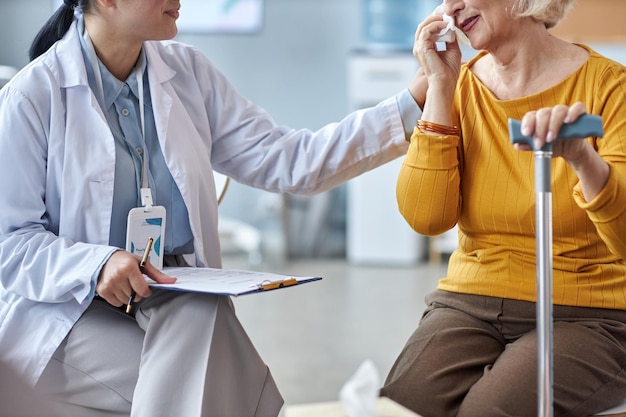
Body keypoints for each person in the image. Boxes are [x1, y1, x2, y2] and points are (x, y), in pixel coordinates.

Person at [0, 0, 426, 416]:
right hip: (70, 314)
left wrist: (412, 104)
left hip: (172, 294)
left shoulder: (188, 74)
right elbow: (10, 243)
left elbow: (290, 159)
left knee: (201, 312)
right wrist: (96, 264)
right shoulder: (32, 96)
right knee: (233, 392)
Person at [380, 0, 626, 416]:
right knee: (401, 408)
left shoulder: (610, 87)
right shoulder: (458, 87)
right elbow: (426, 217)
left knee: (488, 412)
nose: (451, 7)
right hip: (470, 303)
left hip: (588, 313)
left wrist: (583, 159)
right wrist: (439, 87)